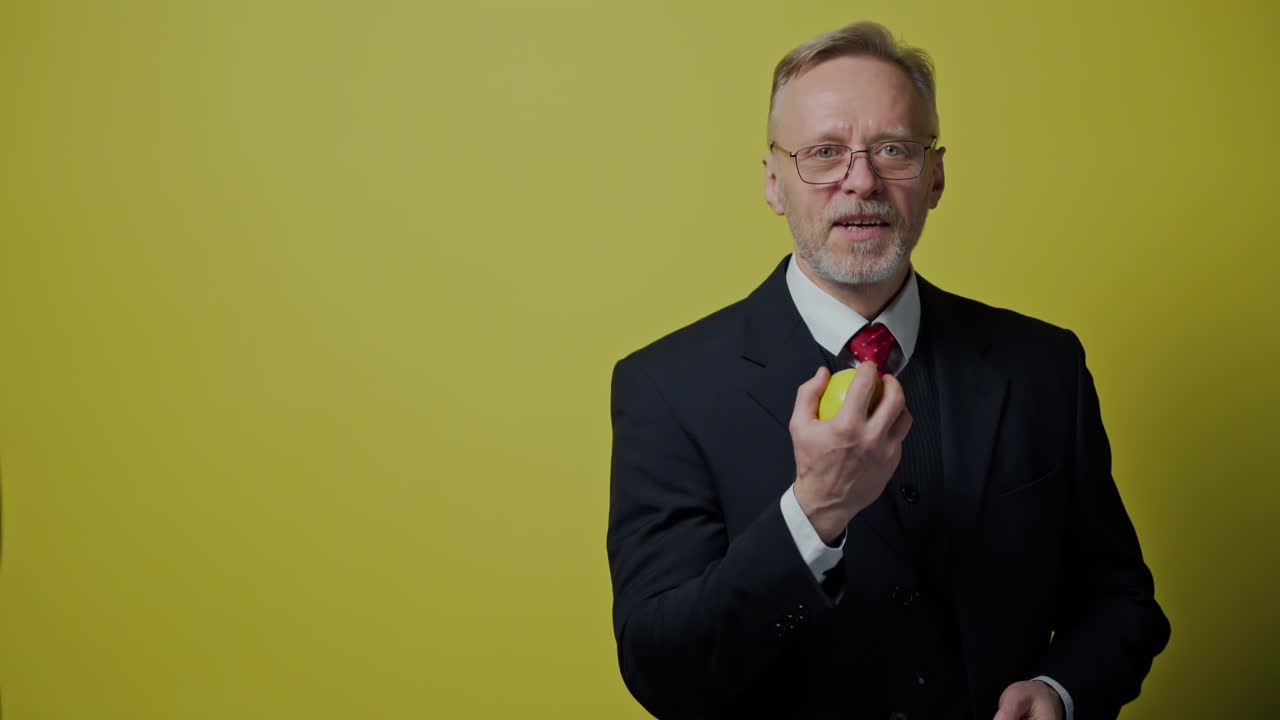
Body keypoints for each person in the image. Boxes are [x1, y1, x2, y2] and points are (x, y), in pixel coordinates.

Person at [606, 21, 1170, 720]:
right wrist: (815, 512)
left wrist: (1061, 691)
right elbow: (663, 670)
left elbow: (1121, 602)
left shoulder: (1043, 366)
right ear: (774, 183)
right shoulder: (666, 388)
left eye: (894, 150)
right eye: (824, 153)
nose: (862, 180)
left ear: (936, 177)